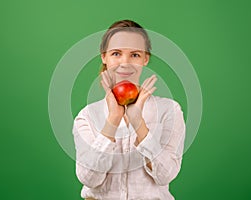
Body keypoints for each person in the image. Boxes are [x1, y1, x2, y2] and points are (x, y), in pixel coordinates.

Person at [72, 19, 186, 200]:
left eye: (135, 55)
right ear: (104, 57)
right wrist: (113, 120)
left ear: (145, 59)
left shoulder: (169, 111)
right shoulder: (86, 117)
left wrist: (138, 123)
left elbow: (166, 175)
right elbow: (89, 179)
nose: (125, 63)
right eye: (116, 53)